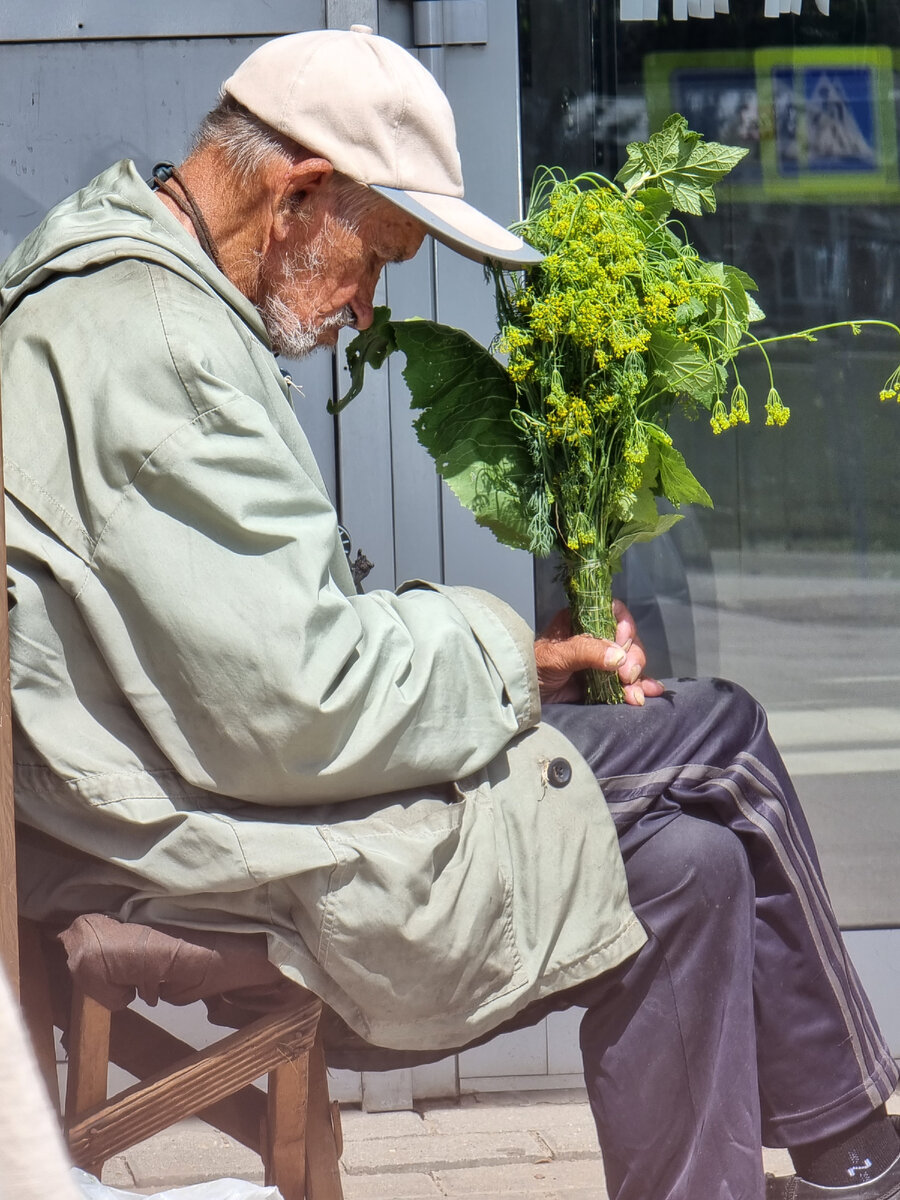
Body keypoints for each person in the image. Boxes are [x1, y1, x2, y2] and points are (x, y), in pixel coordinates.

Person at [0, 27, 897, 1200]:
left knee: (691, 864)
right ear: (299, 192)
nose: (369, 310)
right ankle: (857, 1155)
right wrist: (504, 658)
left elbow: (260, 652)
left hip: (207, 797)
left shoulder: (135, 303)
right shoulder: (161, 351)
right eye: (375, 259)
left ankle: (833, 1160)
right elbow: (302, 700)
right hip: (221, 838)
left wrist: (512, 659)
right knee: (717, 732)